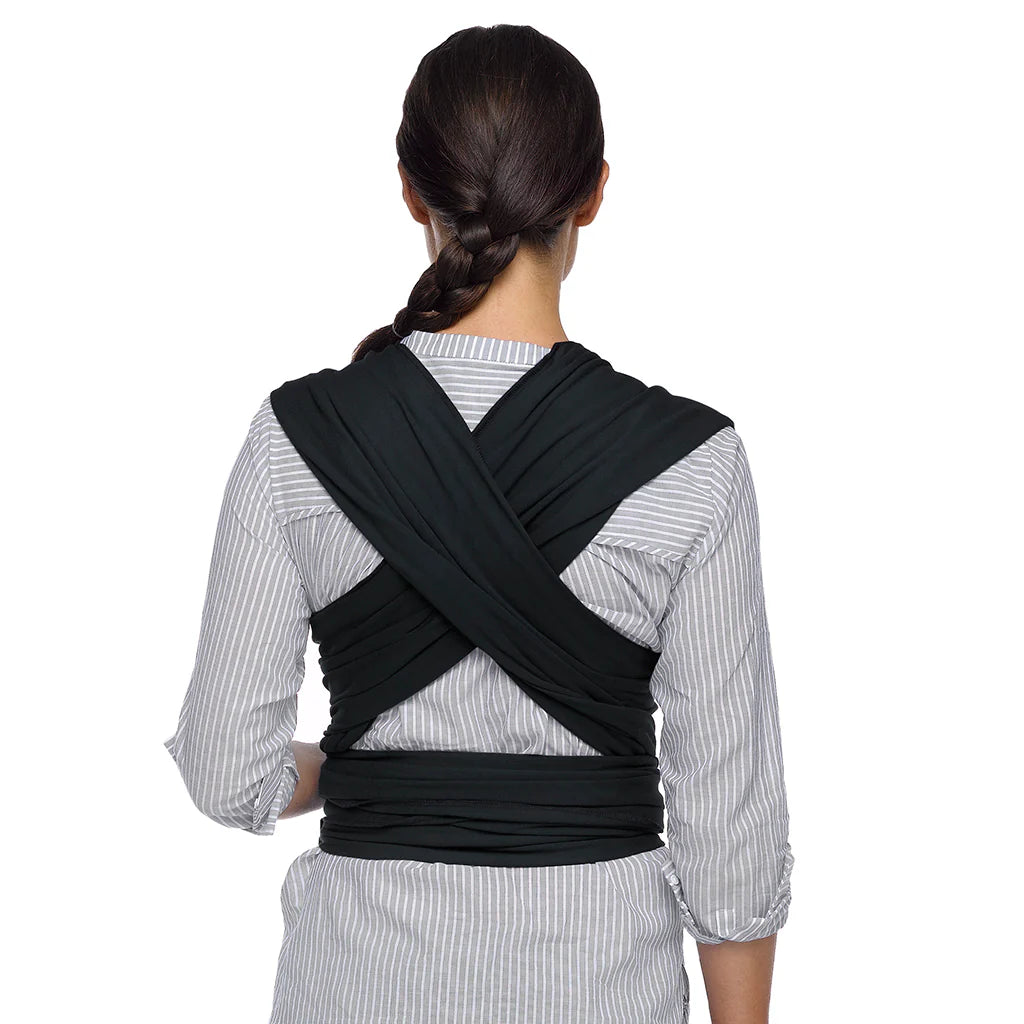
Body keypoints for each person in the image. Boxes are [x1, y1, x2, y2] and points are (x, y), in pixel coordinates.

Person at [163, 23, 794, 1024]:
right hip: (598, 988)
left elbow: (222, 771)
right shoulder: (692, 462)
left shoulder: (297, 439)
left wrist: (354, 774)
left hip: (356, 986)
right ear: (593, 192)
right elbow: (730, 828)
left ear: (411, 192)